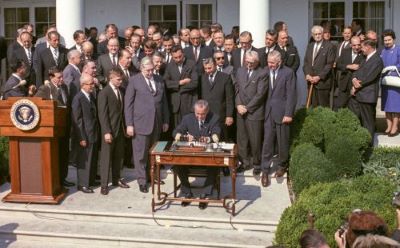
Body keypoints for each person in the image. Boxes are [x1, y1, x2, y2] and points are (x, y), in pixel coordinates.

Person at [124, 56, 169, 193]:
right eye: (148, 70)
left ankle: (152, 176)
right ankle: (142, 181)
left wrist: (166, 120)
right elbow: (128, 104)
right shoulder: (134, 81)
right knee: (141, 155)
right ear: (141, 68)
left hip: (157, 122)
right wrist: (129, 124)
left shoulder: (159, 80)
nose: (150, 72)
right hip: (140, 124)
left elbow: (164, 102)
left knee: (154, 153)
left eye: (152, 70)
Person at [172, 100, 221, 210]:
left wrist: (210, 138)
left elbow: (216, 132)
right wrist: (183, 137)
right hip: (190, 156)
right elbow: (176, 132)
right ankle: (187, 192)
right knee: (177, 165)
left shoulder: (214, 118)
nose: (199, 116)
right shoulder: (187, 118)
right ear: (194, 111)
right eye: (197, 113)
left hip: (207, 157)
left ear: (207, 111)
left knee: (215, 166)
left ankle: (204, 195)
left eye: (202, 114)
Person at [260, 51, 296, 185]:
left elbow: (291, 94)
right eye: (268, 62)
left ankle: (282, 166)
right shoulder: (264, 71)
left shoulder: (288, 73)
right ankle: (265, 169)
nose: (270, 65)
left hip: (282, 113)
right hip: (268, 113)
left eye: (273, 63)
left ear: (279, 62)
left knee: (283, 142)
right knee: (267, 142)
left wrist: (288, 113)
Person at [35, 67, 74, 188]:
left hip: (64, 126)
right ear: (51, 77)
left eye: (62, 76)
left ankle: (63, 178)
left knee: (64, 153)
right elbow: (37, 104)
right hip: (53, 128)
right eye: (59, 77)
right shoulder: (45, 89)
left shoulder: (64, 87)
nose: (62, 79)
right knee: (55, 155)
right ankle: (55, 179)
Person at [97, 69, 129, 195]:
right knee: (106, 158)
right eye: (118, 79)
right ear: (111, 78)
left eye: (121, 79)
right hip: (109, 131)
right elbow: (102, 114)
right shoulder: (104, 93)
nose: (121, 82)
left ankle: (116, 179)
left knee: (118, 157)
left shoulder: (122, 91)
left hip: (120, 130)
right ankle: (104, 185)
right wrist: (106, 131)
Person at [235, 50, 268, 173]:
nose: (248, 65)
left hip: (254, 112)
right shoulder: (240, 70)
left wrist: (247, 108)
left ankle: (257, 164)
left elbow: (260, 95)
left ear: (257, 62)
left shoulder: (263, 73)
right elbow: (237, 89)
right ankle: (244, 162)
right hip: (240, 110)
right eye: (247, 62)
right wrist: (238, 104)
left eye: (251, 63)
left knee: (255, 140)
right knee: (242, 139)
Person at [348, 39, 383, 141]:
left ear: (368, 47)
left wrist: (355, 86)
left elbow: (370, 77)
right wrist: (354, 79)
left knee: (368, 123)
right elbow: (356, 71)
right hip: (358, 96)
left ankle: (368, 145)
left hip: (367, 96)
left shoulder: (377, 60)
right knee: (356, 120)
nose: (360, 49)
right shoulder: (364, 58)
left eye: (362, 47)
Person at [71, 74, 99, 193]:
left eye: (93, 83)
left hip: (93, 132)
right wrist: (81, 137)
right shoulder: (78, 98)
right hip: (85, 134)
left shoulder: (90, 96)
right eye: (90, 84)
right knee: (84, 159)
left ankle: (90, 180)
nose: (93, 86)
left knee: (92, 158)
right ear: (83, 85)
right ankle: (82, 184)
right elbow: (77, 120)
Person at [163, 45, 198, 128]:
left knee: (189, 129)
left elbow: (195, 83)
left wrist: (176, 87)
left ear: (183, 54)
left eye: (180, 56)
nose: (178, 59)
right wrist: (180, 82)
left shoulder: (191, 64)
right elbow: (165, 83)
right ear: (172, 56)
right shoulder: (170, 66)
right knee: (177, 131)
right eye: (175, 57)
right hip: (175, 105)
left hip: (188, 102)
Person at [200, 57, 234, 141]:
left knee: (221, 140)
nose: (207, 71)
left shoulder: (225, 77)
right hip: (206, 116)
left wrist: (229, 115)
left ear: (215, 65)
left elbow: (229, 98)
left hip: (220, 116)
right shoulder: (202, 78)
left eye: (209, 68)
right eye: (205, 68)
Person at [303, 25, 335, 107]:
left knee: (323, 108)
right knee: (313, 107)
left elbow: (329, 64)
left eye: (319, 34)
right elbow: (306, 62)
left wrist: (319, 77)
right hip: (311, 82)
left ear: (323, 34)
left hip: (322, 83)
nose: (317, 36)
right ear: (312, 35)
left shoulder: (329, 46)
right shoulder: (310, 46)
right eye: (315, 34)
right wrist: (307, 74)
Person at [334, 36, 364, 110]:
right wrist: (348, 66)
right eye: (354, 45)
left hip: (356, 85)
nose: (357, 47)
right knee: (339, 107)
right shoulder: (345, 51)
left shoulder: (364, 54)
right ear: (350, 45)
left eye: (358, 44)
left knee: (354, 109)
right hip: (344, 84)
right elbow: (338, 65)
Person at [380, 29, 400, 136]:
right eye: (385, 40)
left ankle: (395, 127)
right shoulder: (383, 51)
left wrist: (393, 68)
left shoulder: (398, 50)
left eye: (389, 40)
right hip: (385, 81)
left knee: (395, 105)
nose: (387, 42)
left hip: (395, 81)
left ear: (394, 39)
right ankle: (388, 126)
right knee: (386, 105)